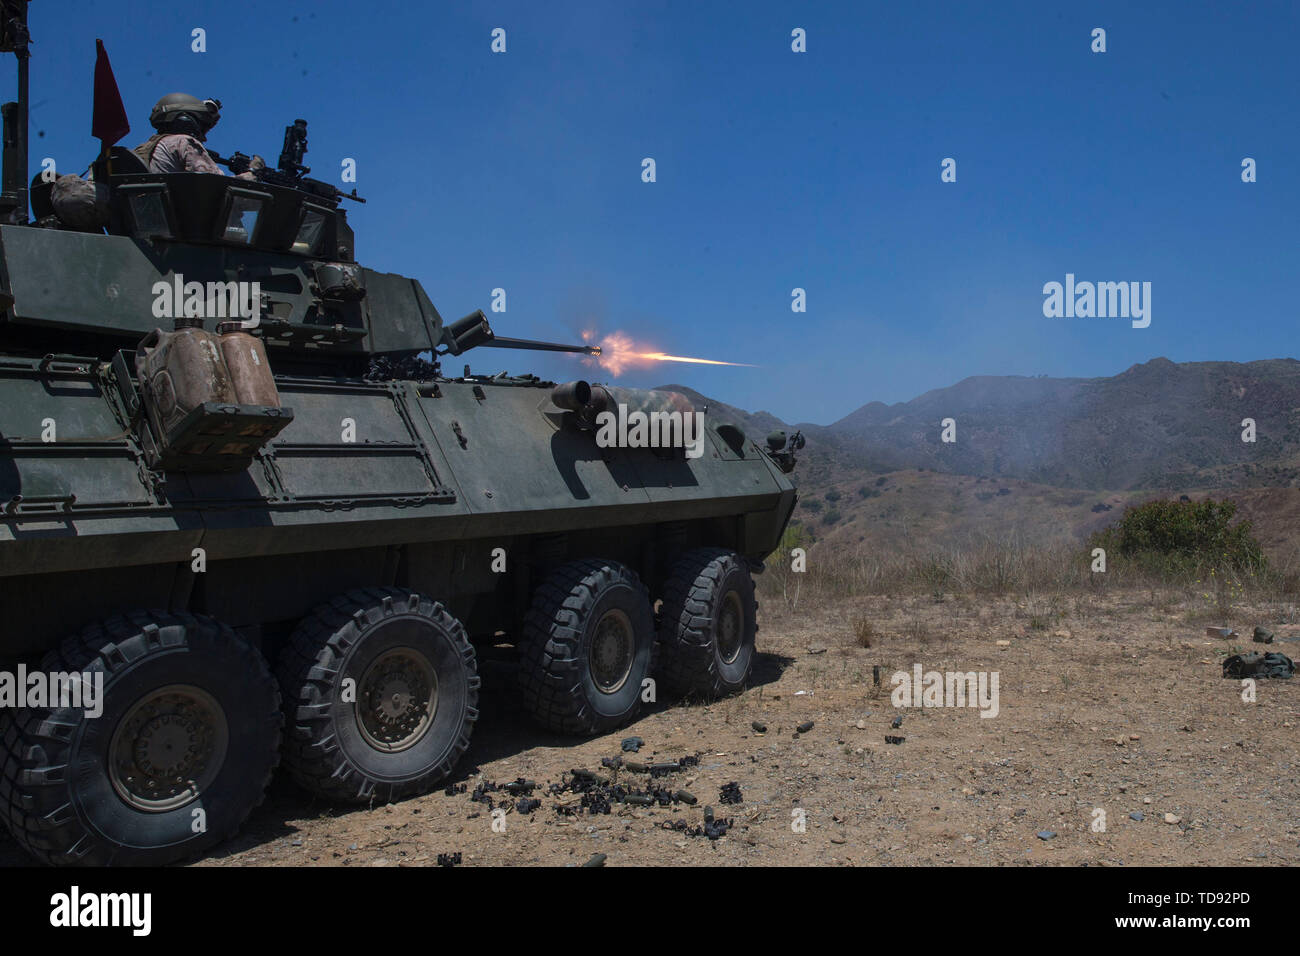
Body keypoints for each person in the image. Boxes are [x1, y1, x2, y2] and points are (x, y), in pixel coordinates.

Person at [131, 93, 264, 178]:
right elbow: (217, 187)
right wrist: (252, 173)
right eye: (201, 127)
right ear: (185, 120)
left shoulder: (146, 149)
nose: (203, 137)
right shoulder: (183, 142)